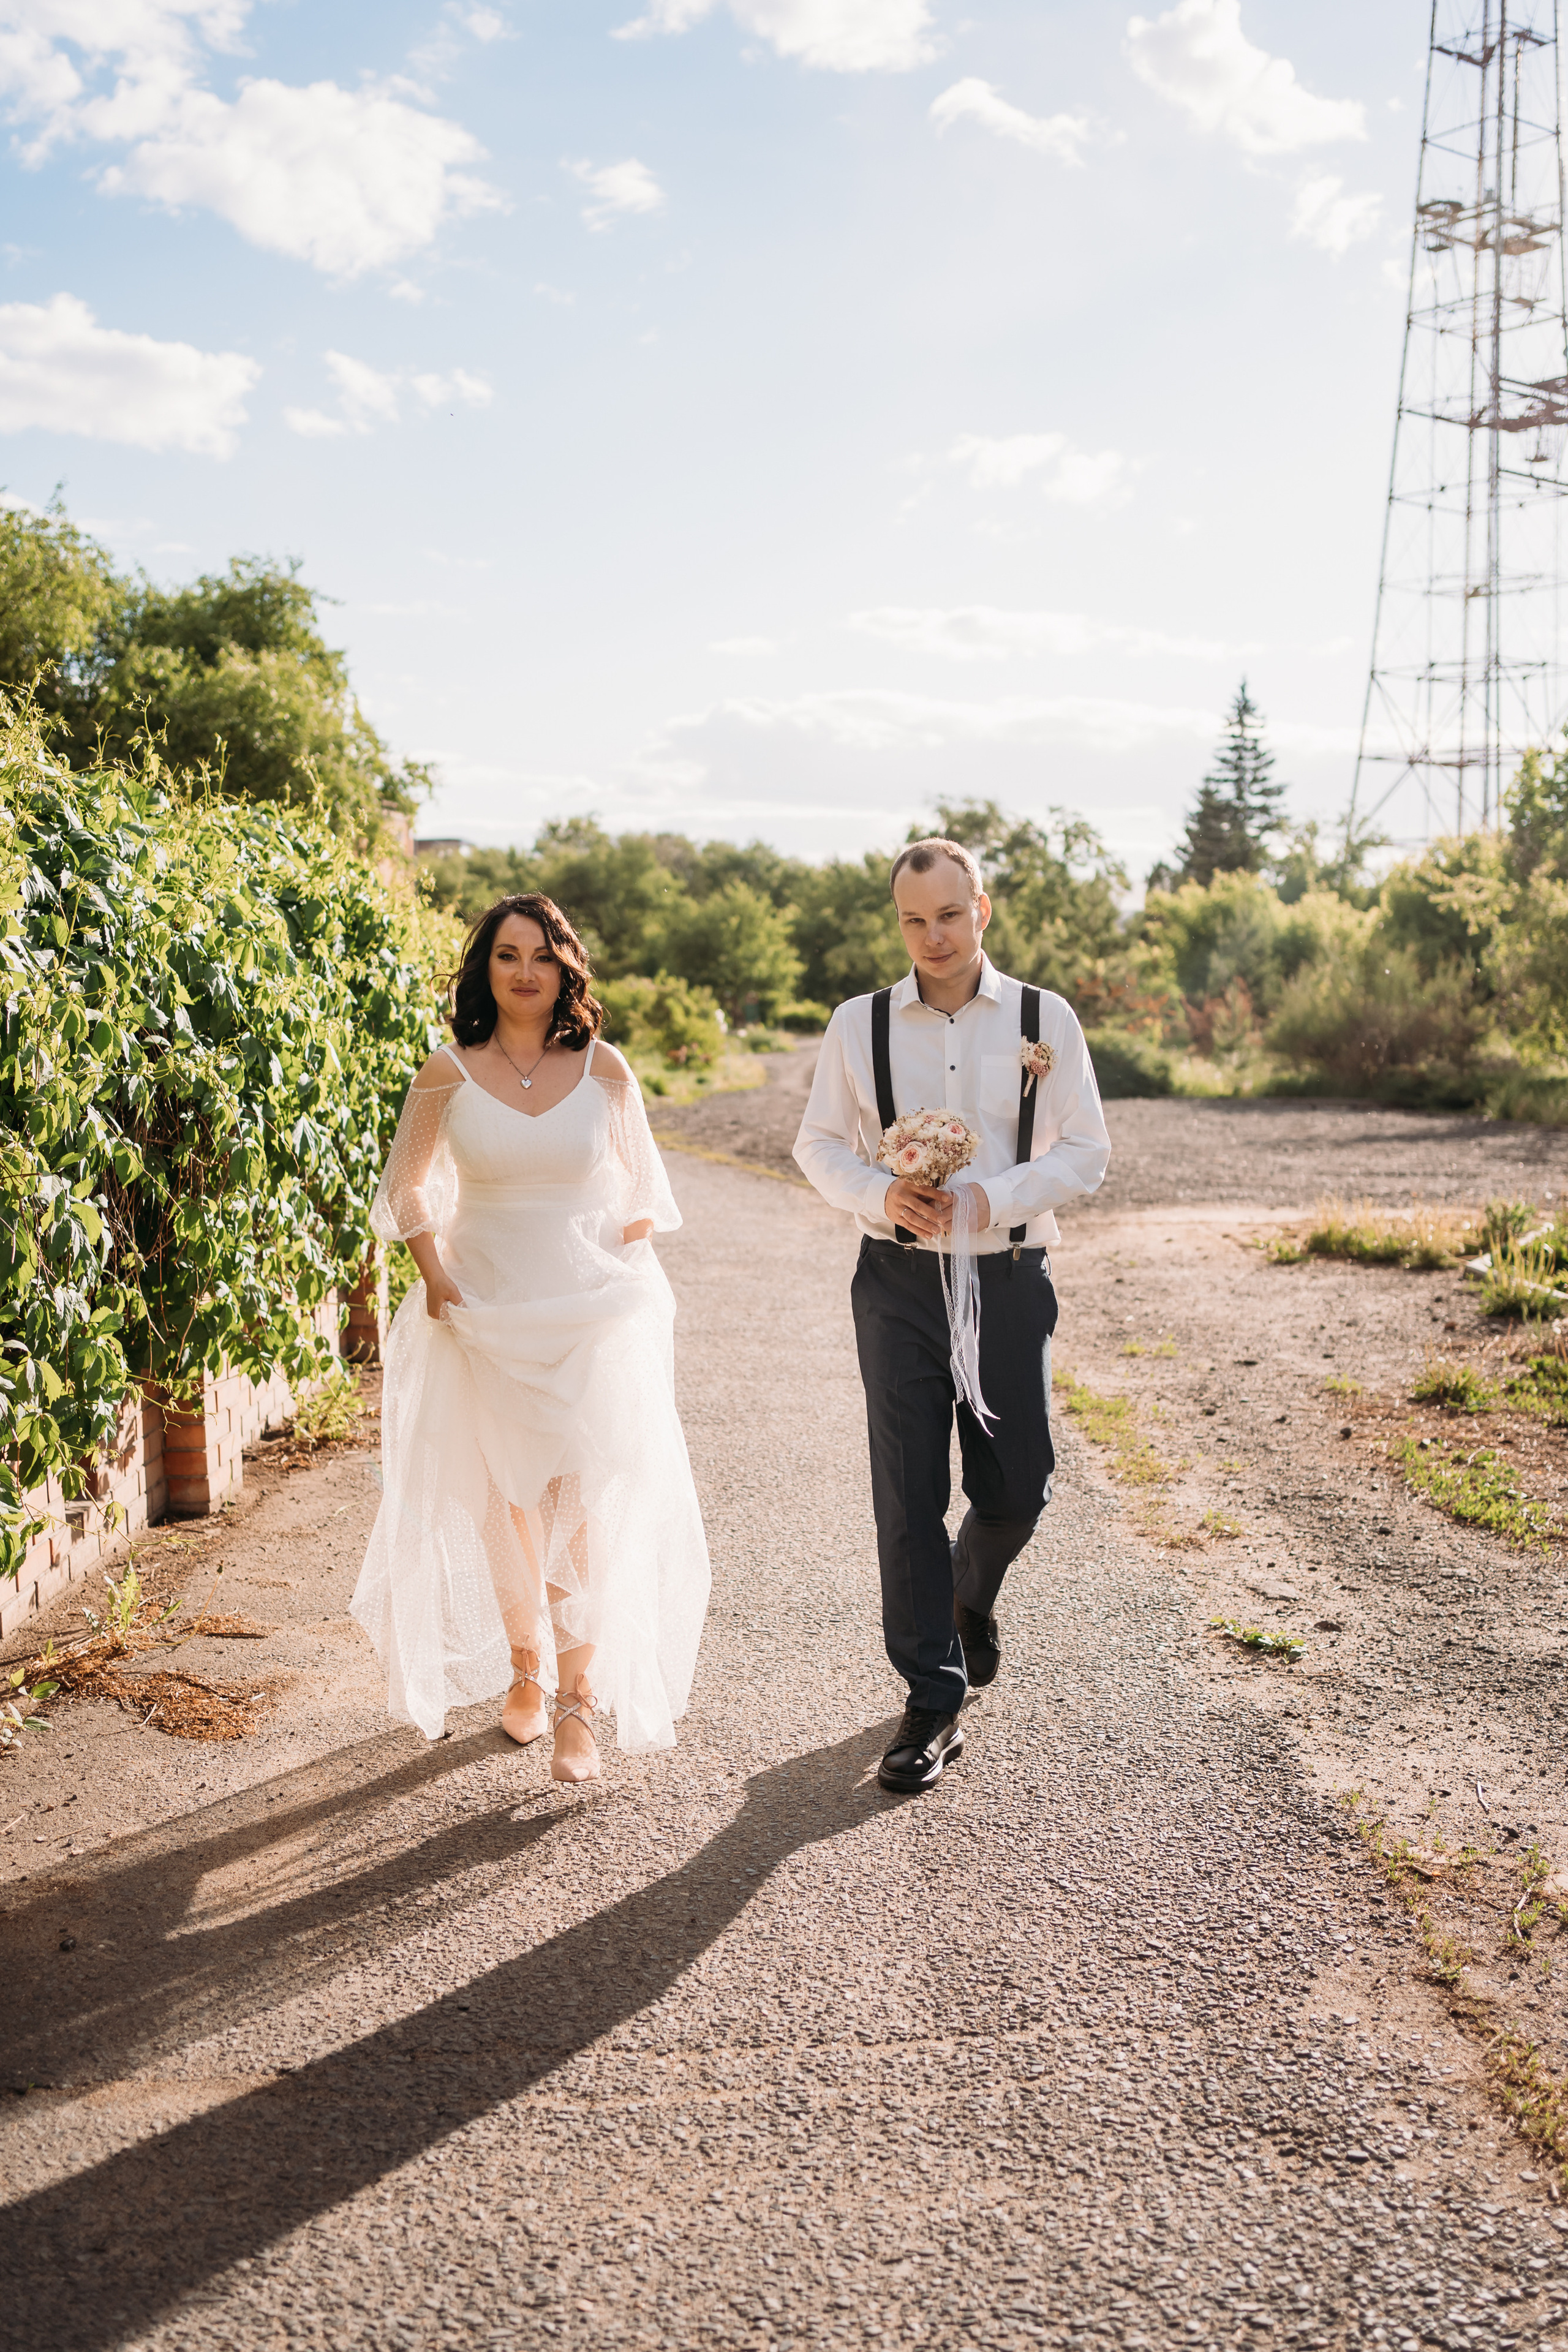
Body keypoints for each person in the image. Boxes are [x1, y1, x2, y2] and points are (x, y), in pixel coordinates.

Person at [352, 892, 710, 1781]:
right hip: (483, 1309)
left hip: (586, 1312)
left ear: (566, 969)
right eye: (508, 955)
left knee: (579, 1497)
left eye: (543, 956)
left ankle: (578, 1701)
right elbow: (405, 1186)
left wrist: (617, 1268)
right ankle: (526, 1668)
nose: (525, 972)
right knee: (506, 1497)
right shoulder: (447, 1071)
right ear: (486, 969)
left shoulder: (604, 1069)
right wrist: (435, 1275)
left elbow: (644, 1193)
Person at [794, 838, 1110, 1795]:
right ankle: (933, 1699)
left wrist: (991, 1198)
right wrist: (879, 1195)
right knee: (908, 1495)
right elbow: (817, 1144)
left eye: (948, 914)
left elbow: (1086, 1151)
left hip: (1009, 1275)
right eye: (912, 919)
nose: (932, 936)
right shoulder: (859, 1024)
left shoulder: (1044, 1019)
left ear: (982, 909)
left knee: (1018, 1489)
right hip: (897, 1284)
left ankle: (969, 1596)